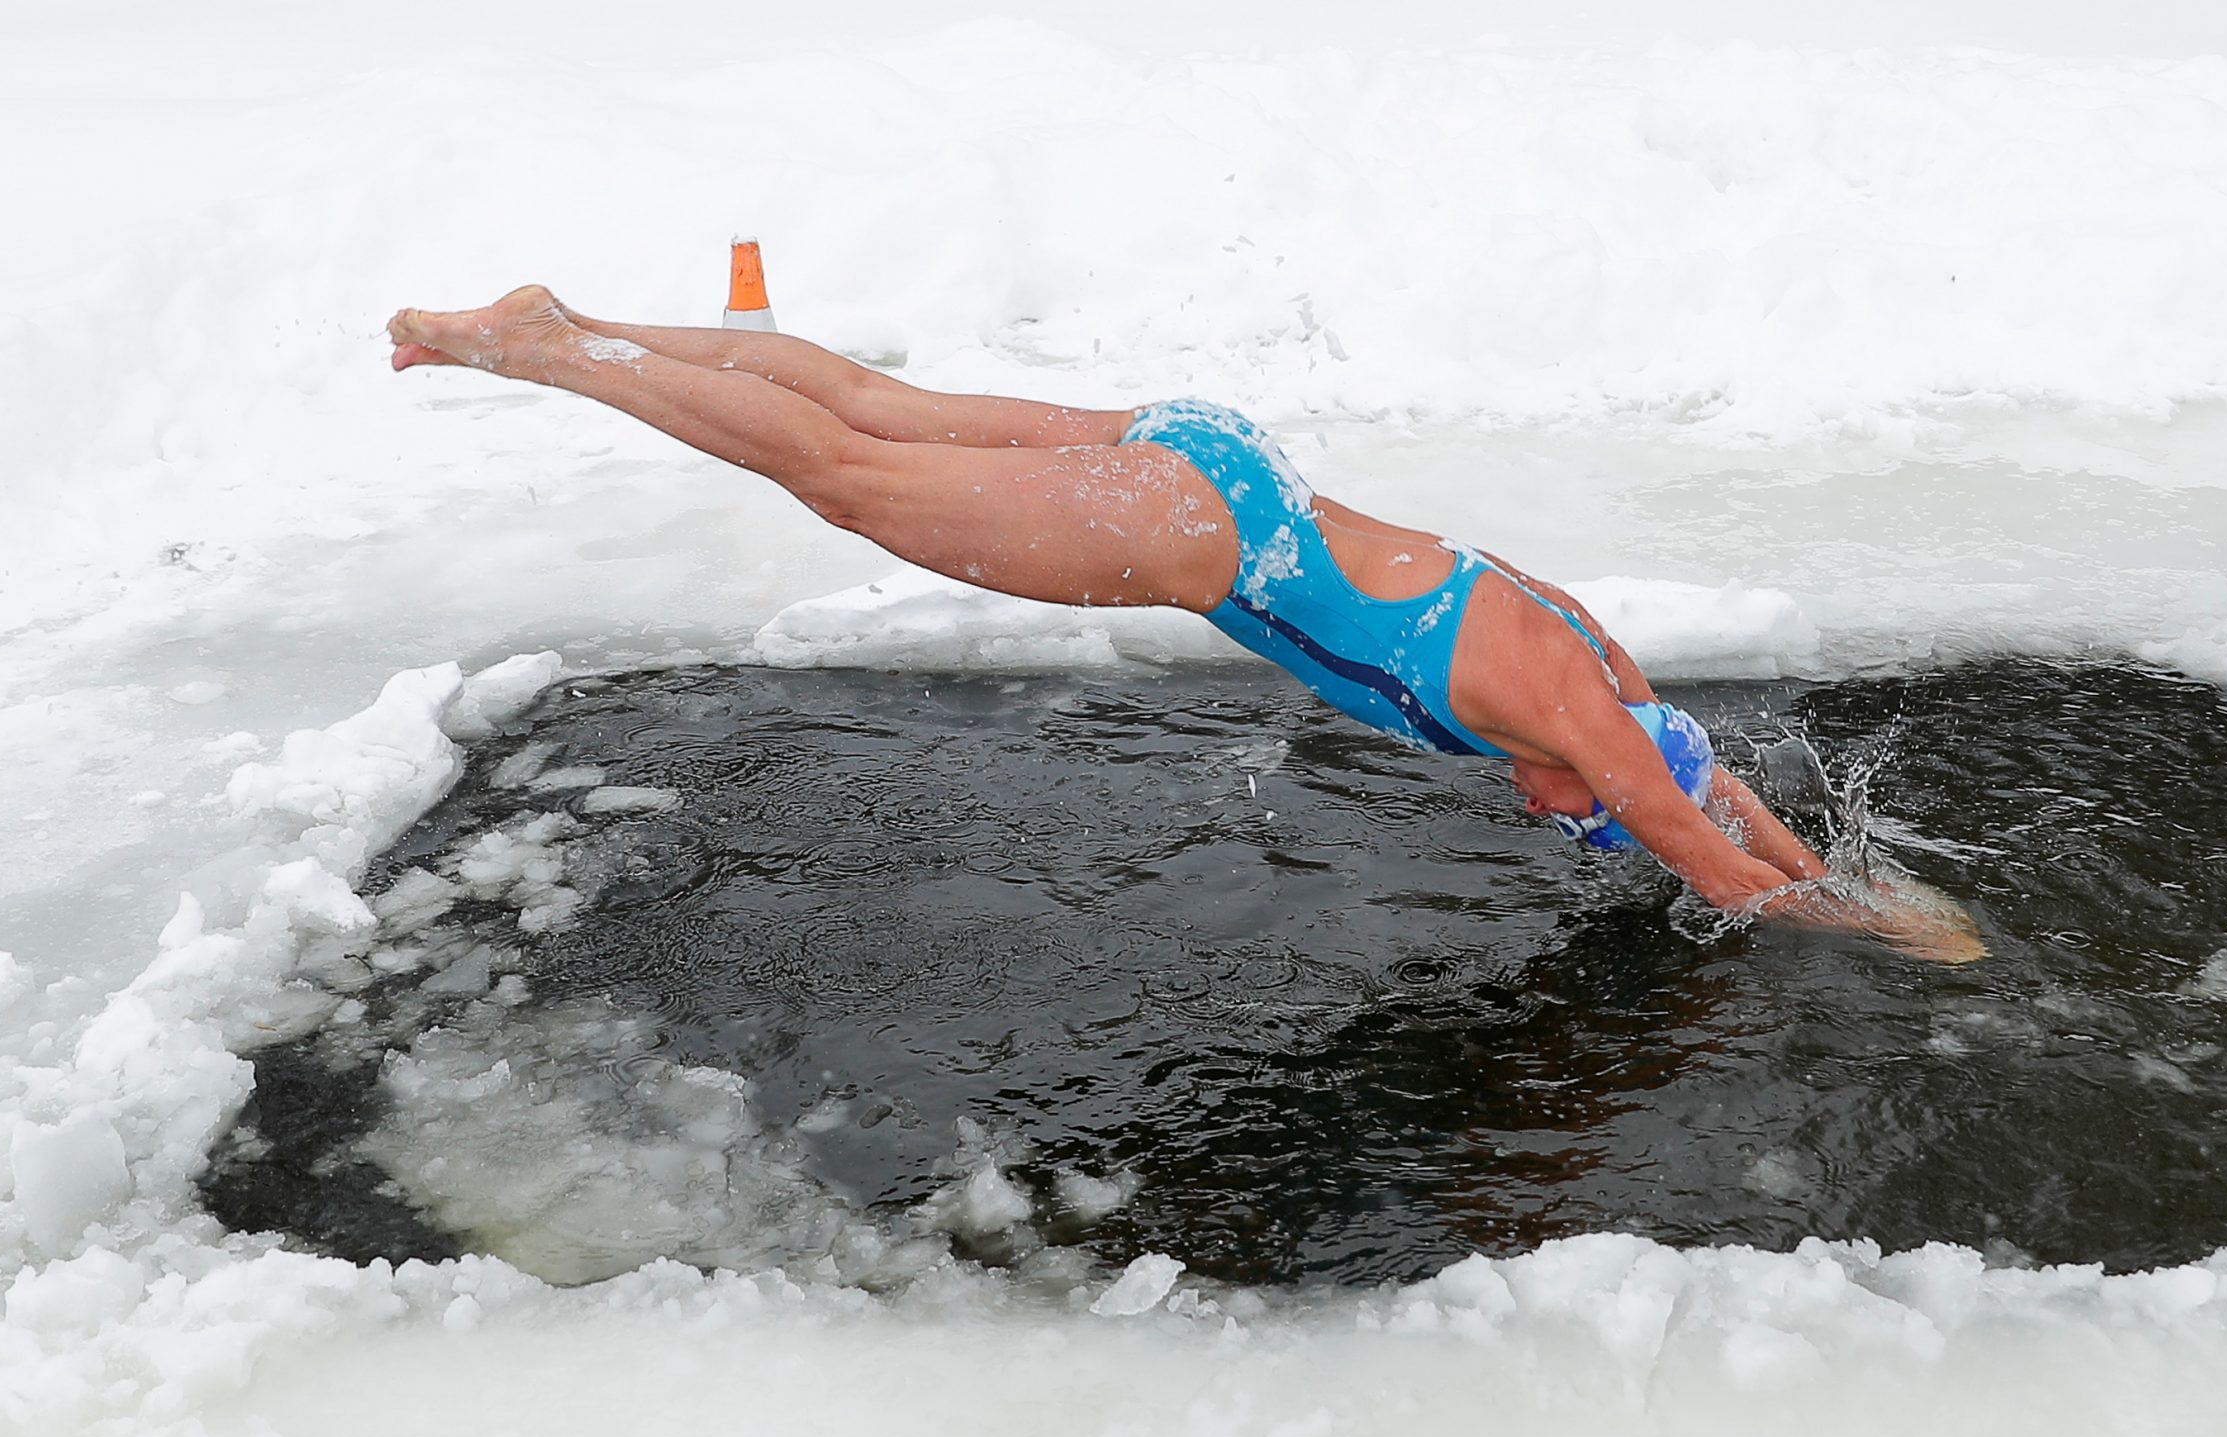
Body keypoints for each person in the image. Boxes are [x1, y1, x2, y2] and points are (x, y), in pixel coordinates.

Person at [386, 287, 1983, 962]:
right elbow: (1720, 863)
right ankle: (545, 357)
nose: (1546, 817)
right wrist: (1905, 935)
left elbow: (1708, 794)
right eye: (1578, 824)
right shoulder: (1582, 725)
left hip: (1226, 461)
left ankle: (560, 321)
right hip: (1205, 537)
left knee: (882, 406)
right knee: (853, 476)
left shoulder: (1602, 681)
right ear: (1600, 773)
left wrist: (1829, 861)